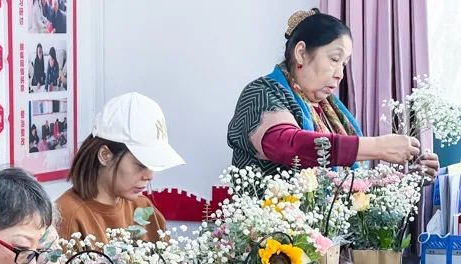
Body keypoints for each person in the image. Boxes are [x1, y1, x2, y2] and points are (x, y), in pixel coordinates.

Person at [227, 8, 439, 180]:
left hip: (328, 232)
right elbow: (290, 146)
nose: (340, 74)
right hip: (272, 233)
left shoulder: (331, 112)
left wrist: (410, 179)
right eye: (334, 59)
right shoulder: (262, 93)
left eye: (344, 64)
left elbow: (353, 194)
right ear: (301, 53)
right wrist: (378, 146)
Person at [57, 92, 184, 243]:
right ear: (105, 155)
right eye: (141, 165)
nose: (150, 176)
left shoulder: (143, 207)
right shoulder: (67, 215)